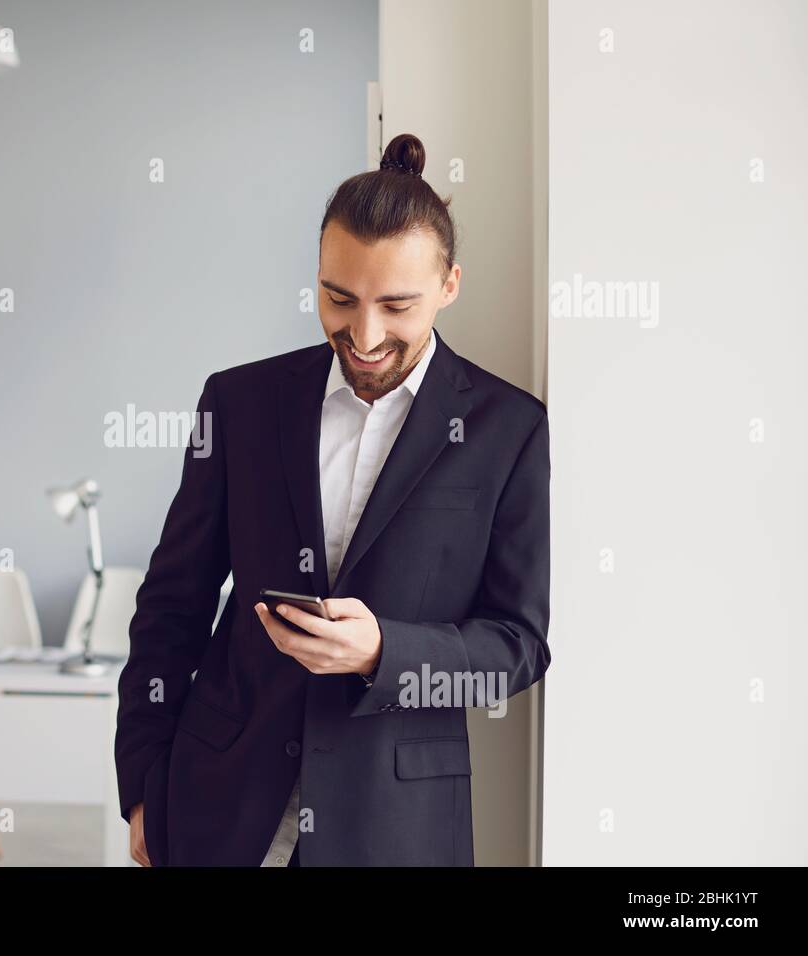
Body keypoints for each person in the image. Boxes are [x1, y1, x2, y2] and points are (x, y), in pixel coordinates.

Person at [114, 133, 551, 866]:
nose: (365, 334)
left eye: (397, 305)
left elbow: (518, 646)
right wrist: (141, 791)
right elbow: (170, 605)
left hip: (396, 825)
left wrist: (384, 651)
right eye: (338, 298)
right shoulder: (240, 401)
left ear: (449, 285)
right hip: (214, 806)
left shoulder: (509, 428)